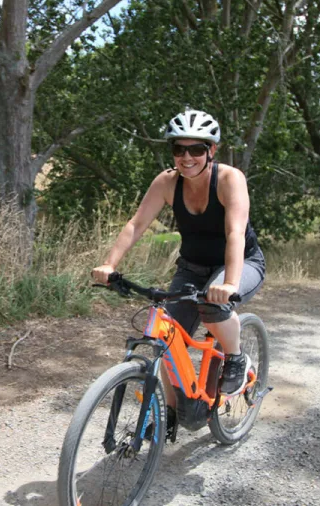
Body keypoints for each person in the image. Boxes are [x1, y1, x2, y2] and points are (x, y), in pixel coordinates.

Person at [91, 109, 266, 431]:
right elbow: (137, 224)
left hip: (240, 262)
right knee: (168, 340)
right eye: (179, 149)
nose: (187, 157)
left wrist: (228, 283)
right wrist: (109, 264)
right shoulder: (167, 182)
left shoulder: (229, 179)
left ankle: (235, 357)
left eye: (196, 149)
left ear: (211, 151)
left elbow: (235, 233)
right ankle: (174, 412)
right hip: (192, 266)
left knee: (214, 307)